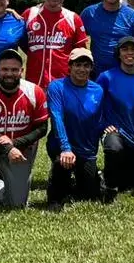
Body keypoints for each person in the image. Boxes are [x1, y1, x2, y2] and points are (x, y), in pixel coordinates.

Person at [0, 50, 50, 224]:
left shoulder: (34, 91)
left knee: (16, 204)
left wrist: (14, 144)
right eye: (5, 69)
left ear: (21, 71)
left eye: (14, 70)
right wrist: (8, 148)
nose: (9, 74)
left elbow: (42, 128)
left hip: (21, 150)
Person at [46, 47, 111, 208]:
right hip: (61, 146)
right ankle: (56, 191)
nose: (82, 69)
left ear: (91, 68)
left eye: (86, 65)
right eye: (78, 65)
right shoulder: (56, 87)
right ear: (70, 66)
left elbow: (97, 120)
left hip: (86, 150)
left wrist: (107, 127)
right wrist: (65, 148)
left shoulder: (98, 90)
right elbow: (57, 118)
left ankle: (87, 179)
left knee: (90, 194)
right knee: (62, 166)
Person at [98, 37, 134, 192]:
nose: (129, 53)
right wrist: (104, 125)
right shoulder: (106, 78)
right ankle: (109, 184)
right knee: (114, 148)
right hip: (116, 132)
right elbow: (96, 106)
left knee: (131, 185)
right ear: (118, 54)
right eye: (125, 49)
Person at [23, 0, 89, 92]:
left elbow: (81, 52)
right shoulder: (30, 14)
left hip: (63, 84)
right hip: (34, 83)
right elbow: (21, 41)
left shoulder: (73, 18)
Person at [80, 0, 134, 77]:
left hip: (124, 72)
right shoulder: (89, 13)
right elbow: (78, 42)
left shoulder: (132, 15)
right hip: (95, 73)